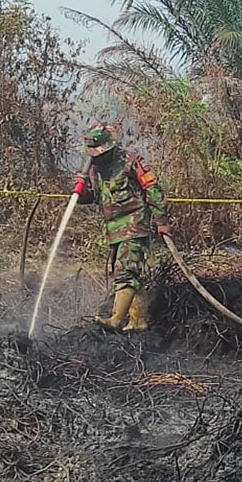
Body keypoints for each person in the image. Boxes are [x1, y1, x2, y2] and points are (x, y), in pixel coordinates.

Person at [76, 123, 172, 332]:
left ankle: (116, 320)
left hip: (134, 224)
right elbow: (93, 197)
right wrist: (80, 190)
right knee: (131, 274)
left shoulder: (130, 162)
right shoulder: (94, 169)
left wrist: (162, 222)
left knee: (126, 271)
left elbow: (153, 191)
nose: (99, 157)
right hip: (113, 230)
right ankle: (138, 321)